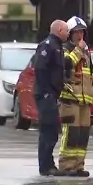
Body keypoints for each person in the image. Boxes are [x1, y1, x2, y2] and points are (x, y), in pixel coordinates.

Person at [57, 16, 93, 176]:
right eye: (76, 32)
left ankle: (78, 166)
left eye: (82, 32)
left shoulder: (86, 53)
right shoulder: (65, 49)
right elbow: (66, 64)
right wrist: (79, 50)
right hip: (70, 99)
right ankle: (66, 166)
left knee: (82, 135)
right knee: (71, 134)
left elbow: (90, 74)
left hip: (84, 101)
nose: (80, 35)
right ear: (70, 34)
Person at [34, 20, 70, 176]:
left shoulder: (57, 47)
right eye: (67, 31)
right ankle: (45, 166)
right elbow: (40, 69)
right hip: (46, 95)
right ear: (60, 30)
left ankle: (49, 164)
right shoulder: (48, 46)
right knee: (48, 131)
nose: (68, 34)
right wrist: (47, 92)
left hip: (53, 94)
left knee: (52, 131)